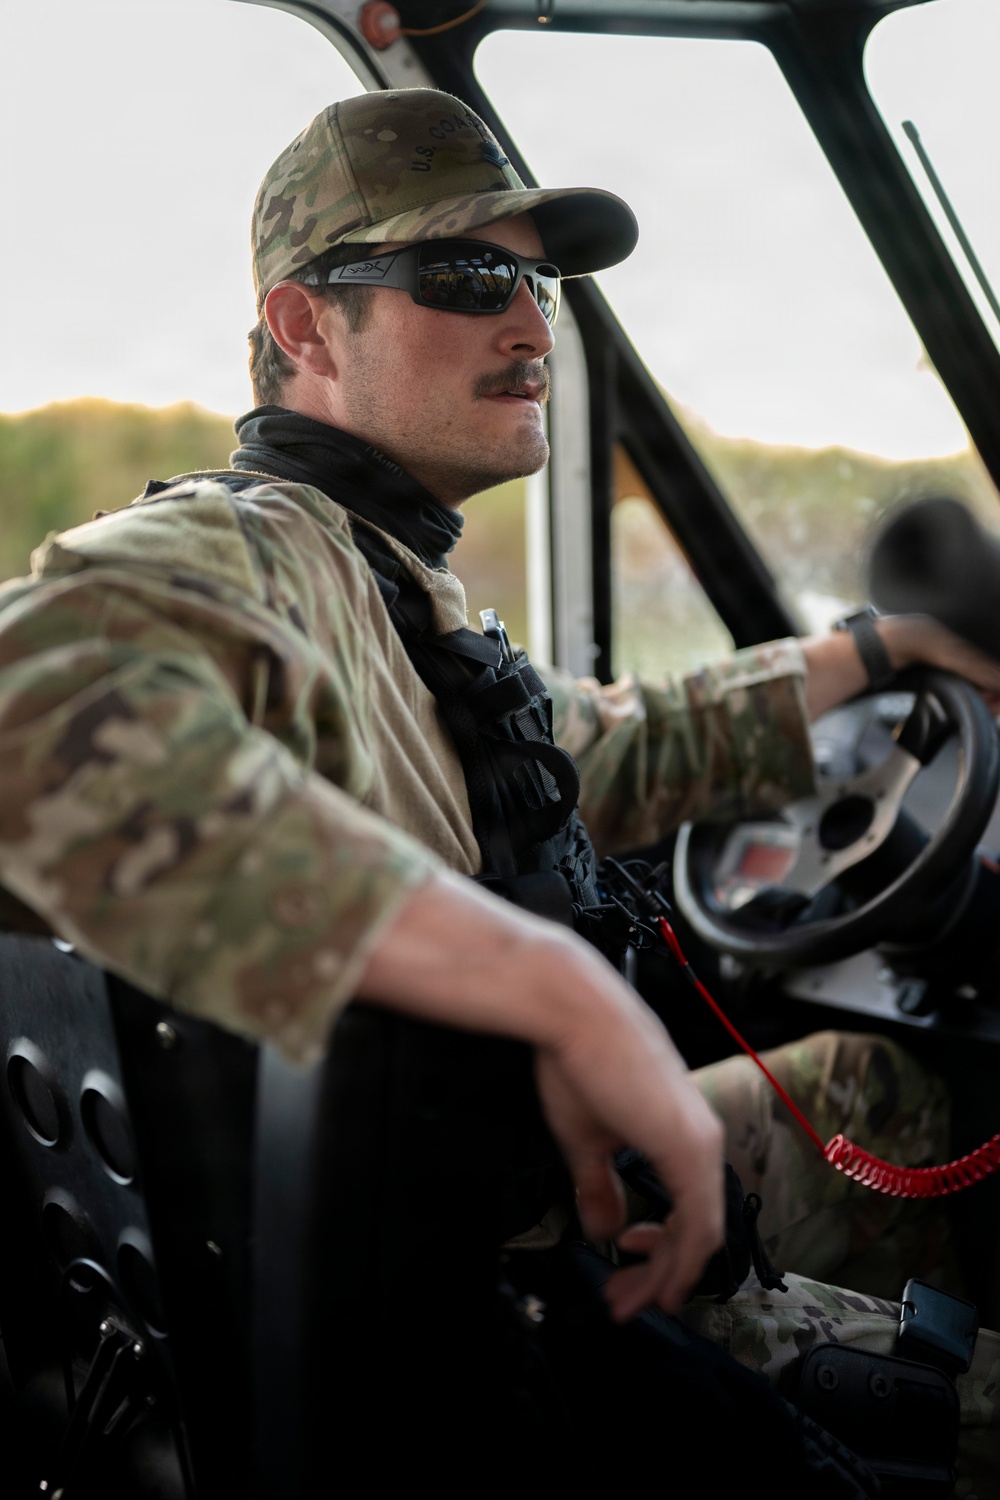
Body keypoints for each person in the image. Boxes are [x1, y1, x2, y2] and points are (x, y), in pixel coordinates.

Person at [0, 88, 998, 1490]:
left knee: (869, 1084)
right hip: (493, 1322)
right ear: (302, 329)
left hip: (532, 1225)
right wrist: (552, 983)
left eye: (535, 282)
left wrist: (879, 649)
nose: (533, 327)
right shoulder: (266, 545)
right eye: (466, 277)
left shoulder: (390, 582)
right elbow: (24, 710)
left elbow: (574, 749)